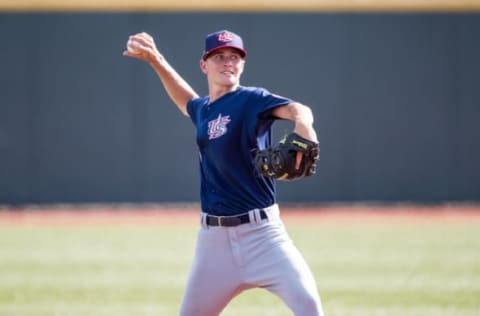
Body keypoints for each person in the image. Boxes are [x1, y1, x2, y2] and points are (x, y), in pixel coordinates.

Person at [123, 29, 324, 316]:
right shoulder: (204, 109)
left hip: (264, 237)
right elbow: (186, 102)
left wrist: (305, 128)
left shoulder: (252, 99)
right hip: (213, 243)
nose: (228, 62)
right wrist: (156, 60)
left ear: (242, 65)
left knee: (309, 308)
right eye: (219, 57)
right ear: (204, 65)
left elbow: (299, 109)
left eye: (234, 57)